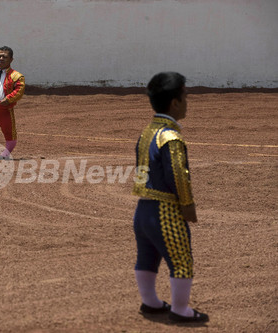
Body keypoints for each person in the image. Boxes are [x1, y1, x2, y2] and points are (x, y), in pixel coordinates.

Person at [132, 72, 209, 323]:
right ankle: (180, 309)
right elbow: (179, 175)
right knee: (181, 259)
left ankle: (150, 302)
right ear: (175, 103)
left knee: (147, 255)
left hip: (142, 209)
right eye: (185, 96)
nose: (188, 101)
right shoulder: (171, 136)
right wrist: (187, 205)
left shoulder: (146, 133)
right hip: (165, 210)